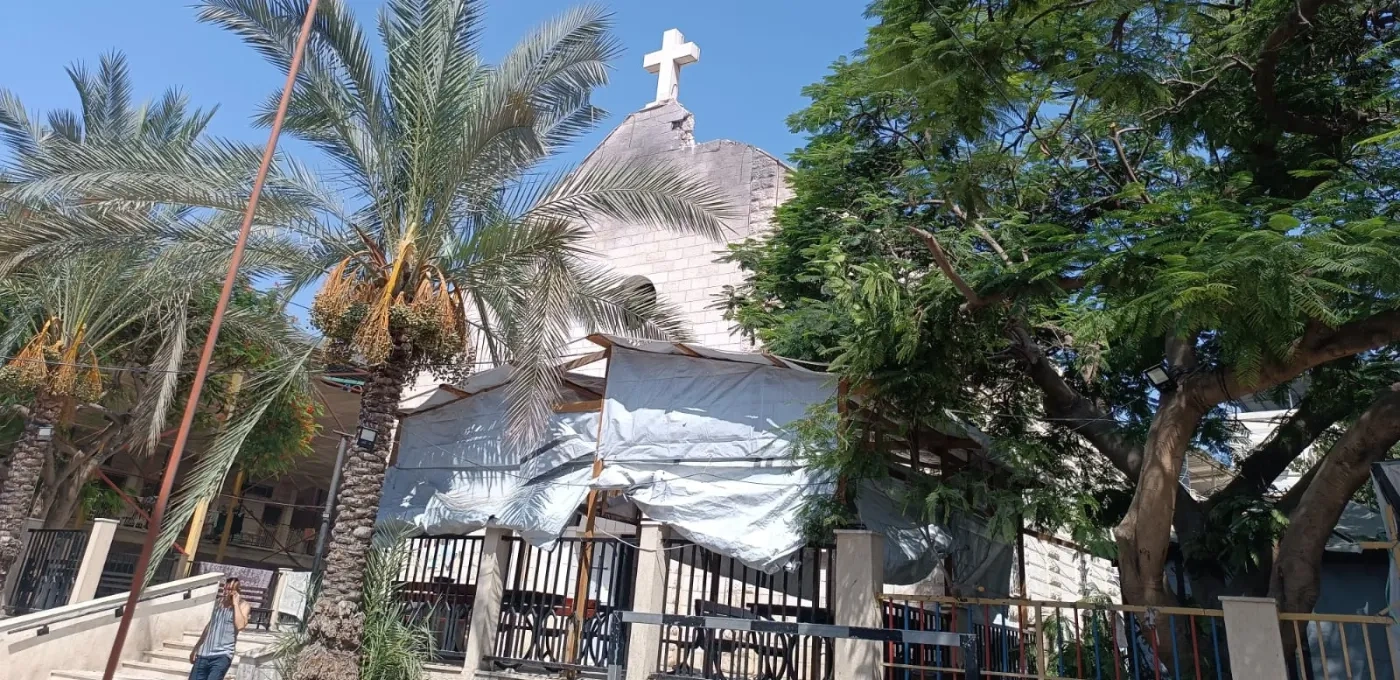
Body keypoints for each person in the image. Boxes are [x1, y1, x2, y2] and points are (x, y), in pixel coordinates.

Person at [188, 577, 251, 680]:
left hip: (222, 655)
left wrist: (235, 604)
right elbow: (210, 626)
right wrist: (196, 647)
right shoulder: (218, 602)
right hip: (204, 653)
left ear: (237, 591)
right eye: (226, 588)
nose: (227, 591)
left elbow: (240, 626)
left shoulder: (243, 605)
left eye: (231, 589)